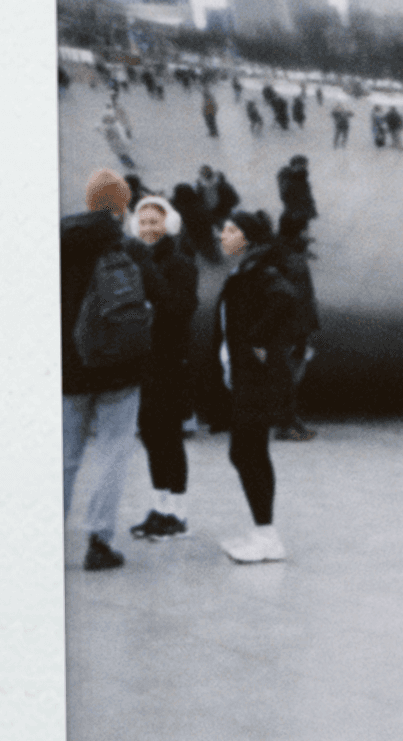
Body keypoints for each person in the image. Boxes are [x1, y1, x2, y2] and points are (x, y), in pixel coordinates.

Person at [61, 167, 161, 572]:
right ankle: (99, 543)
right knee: (113, 454)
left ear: (88, 203)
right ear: (122, 207)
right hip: (120, 371)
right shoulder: (131, 250)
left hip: (70, 370)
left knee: (64, 457)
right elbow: (161, 298)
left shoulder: (58, 243)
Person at [213, 209, 296, 563]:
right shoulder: (248, 268)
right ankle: (263, 531)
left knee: (249, 451)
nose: (223, 235)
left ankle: (267, 536)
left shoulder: (261, 269)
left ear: (247, 237)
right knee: (246, 451)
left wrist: (258, 342)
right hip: (245, 375)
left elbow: (285, 298)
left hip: (256, 378)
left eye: (231, 230)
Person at [126, 193, 200, 541]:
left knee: (169, 437)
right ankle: (160, 507)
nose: (148, 228)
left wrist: (146, 270)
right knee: (150, 435)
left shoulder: (181, 263)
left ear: (168, 223)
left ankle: (178, 514)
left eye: (154, 221)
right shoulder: (135, 261)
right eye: (142, 222)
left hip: (169, 362)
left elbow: (177, 308)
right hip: (143, 362)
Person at [270, 210, 322, 441]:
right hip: (291, 326)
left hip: (295, 324)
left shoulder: (288, 251)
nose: (308, 233)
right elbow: (296, 295)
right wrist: (303, 330)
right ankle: (285, 424)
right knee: (288, 376)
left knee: (291, 376)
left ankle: (291, 420)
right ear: (298, 231)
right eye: (305, 229)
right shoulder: (287, 255)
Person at [276, 153, 317, 225]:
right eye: (301, 165)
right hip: (291, 216)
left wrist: (312, 210)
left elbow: (308, 196)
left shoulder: (302, 179)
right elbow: (286, 194)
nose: (304, 167)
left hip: (302, 215)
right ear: (294, 165)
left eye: (305, 165)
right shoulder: (287, 177)